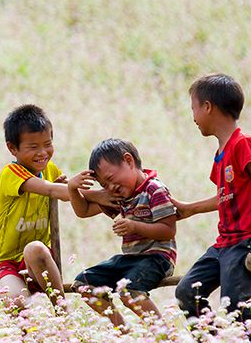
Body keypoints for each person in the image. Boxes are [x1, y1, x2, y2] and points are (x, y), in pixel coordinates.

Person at [172, 74, 251, 329]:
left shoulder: (244, 144)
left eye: (194, 108)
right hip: (224, 243)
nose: (193, 117)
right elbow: (225, 196)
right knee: (187, 292)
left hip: (246, 242)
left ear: (208, 107)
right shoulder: (220, 155)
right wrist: (189, 209)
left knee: (234, 305)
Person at [66, 139, 177, 330]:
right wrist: (72, 188)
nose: (109, 188)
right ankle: (122, 330)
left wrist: (135, 227)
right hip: (131, 260)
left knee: (128, 291)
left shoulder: (154, 189)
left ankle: (164, 335)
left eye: (110, 178)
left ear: (129, 161)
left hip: (157, 258)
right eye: (103, 184)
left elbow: (168, 229)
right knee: (83, 283)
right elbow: (83, 211)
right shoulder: (122, 196)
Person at [0, 104, 88, 310]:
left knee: (34, 248)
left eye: (47, 144)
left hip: (38, 261)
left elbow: (69, 194)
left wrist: (102, 197)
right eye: (33, 147)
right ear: (12, 148)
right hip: (7, 264)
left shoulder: (50, 170)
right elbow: (53, 190)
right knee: (15, 301)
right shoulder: (11, 172)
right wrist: (69, 187)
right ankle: (30, 340)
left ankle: (63, 314)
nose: (42, 153)